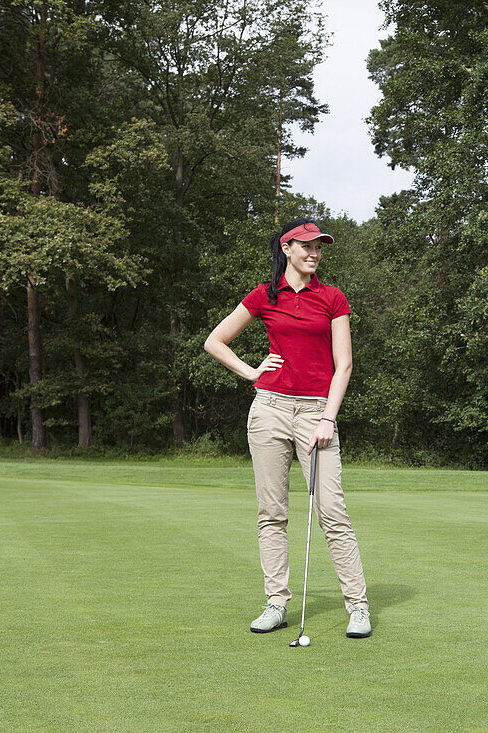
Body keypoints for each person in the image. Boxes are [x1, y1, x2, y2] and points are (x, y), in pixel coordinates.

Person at [204, 218, 370, 638]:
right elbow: (215, 341)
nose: (315, 254)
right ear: (287, 248)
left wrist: (329, 418)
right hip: (270, 410)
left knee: (333, 511)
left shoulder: (332, 297)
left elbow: (344, 364)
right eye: (308, 246)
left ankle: (358, 607)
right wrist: (252, 372)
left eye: (319, 248)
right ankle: (276, 601)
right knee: (271, 514)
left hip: (317, 413)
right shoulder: (265, 295)